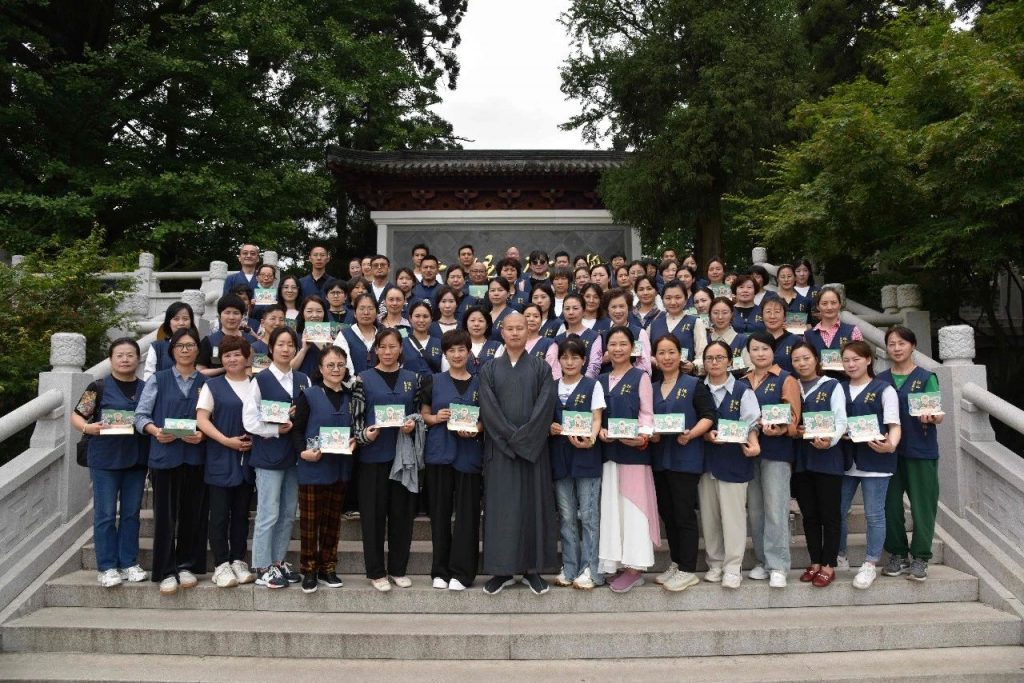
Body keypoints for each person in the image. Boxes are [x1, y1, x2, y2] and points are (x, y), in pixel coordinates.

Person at [479, 312, 558, 595]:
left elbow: (545, 408)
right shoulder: (489, 368)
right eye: (509, 328)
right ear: (501, 332)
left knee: (532, 507)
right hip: (501, 453)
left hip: (532, 452)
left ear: (528, 331)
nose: (514, 333)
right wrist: (512, 440)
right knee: (501, 510)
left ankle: (532, 570)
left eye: (519, 328)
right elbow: (488, 409)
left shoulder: (540, 368)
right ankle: (501, 571)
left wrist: (524, 441)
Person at [133, 327, 208, 595]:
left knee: (192, 513)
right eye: (180, 346)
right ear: (172, 350)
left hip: (195, 457)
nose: (185, 350)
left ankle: (186, 564)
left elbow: (212, 419)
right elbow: (140, 416)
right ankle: (165, 570)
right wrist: (154, 431)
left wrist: (203, 436)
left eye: (190, 345)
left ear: (198, 349)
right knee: (165, 516)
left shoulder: (206, 383)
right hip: (164, 456)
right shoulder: (159, 379)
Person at [72, 338, 150, 588]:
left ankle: (129, 563)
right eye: (120, 355)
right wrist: (87, 427)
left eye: (130, 355)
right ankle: (106, 566)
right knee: (105, 515)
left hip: (136, 458)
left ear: (138, 358)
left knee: (131, 514)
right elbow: (77, 414)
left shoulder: (147, 387)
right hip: (105, 459)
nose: (125, 359)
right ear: (111, 359)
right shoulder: (98, 387)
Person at [351, 328, 421, 592]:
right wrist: (365, 436)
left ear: (401, 349)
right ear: (376, 350)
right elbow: (355, 420)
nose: (388, 351)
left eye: (393, 347)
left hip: (403, 458)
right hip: (373, 457)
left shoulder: (412, 379)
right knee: (373, 516)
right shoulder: (363, 379)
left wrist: (412, 426)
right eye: (383, 347)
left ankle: (398, 569)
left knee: (402, 515)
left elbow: (417, 416)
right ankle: (376, 571)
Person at [243, 326, 311, 589]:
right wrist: (274, 429)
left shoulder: (304, 379)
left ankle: (278, 561)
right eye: (280, 344)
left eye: (290, 345)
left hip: (295, 455)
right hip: (269, 453)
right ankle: (262, 566)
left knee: (287, 513)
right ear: (270, 349)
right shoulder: (259, 380)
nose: (285, 349)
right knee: (268, 512)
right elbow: (249, 420)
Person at [649, 335, 715, 593]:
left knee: (684, 513)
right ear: (655, 357)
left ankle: (688, 569)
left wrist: (691, 434)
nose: (667, 357)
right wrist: (651, 433)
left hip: (685, 458)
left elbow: (709, 416)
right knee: (668, 513)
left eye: (671, 352)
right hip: (660, 459)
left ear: (680, 355)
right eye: (661, 353)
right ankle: (676, 562)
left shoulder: (694, 384)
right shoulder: (652, 387)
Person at [878, 326, 943, 582]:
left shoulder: (926, 377)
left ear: (913, 345)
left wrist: (934, 416)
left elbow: (937, 412)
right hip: (887, 452)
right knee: (890, 506)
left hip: (921, 450)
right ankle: (898, 554)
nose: (896, 348)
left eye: (901, 343)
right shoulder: (881, 379)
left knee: (922, 506)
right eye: (891, 344)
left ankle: (920, 558)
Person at [420, 330, 483, 591]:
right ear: (445, 354)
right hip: (440, 454)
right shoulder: (433, 381)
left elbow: (486, 419)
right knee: (440, 514)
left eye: (461, 350)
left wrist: (477, 429)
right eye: (452, 351)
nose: (457, 355)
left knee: (468, 515)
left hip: (469, 455)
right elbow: (423, 413)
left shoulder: (481, 383)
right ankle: (440, 570)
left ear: (469, 352)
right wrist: (436, 418)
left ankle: (463, 572)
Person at [597, 326, 658, 592]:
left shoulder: (640, 376)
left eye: (624, 344)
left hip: (633, 453)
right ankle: (618, 563)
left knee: (633, 508)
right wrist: (598, 430)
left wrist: (641, 436)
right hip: (608, 453)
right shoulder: (600, 380)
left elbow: (647, 414)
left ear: (633, 348)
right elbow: (596, 415)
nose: (618, 349)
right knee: (612, 508)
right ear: (606, 350)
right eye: (613, 344)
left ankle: (635, 566)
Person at [290, 345, 355, 593]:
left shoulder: (351, 397)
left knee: (332, 522)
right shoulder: (309, 395)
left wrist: (354, 441)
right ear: (320, 368)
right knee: (310, 522)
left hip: (339, 467)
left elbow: (356, 429)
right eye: (330, 365)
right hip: (313, 466)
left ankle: (328, 567)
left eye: (340, 365)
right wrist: (302, 452)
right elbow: (297, 430)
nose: (336, 369)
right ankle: (308, 570)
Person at [839, 340, 902, 589]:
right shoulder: (838, 388)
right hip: (845, 460)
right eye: (846, 360)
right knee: (838, 511)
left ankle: (869, 563)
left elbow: (894, 424)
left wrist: (891, 445)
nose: (851, 364)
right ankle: (840, 555)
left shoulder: (883, 389)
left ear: (868, 360)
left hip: (876, 458)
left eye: (856, 359)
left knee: (874, 514)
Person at [195, 335, 257, 588]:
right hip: (221, 455)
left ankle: (238, 559)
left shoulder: (256, 384)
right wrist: (225, 440)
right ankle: (221, 564)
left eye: (237, 354)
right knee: (219, 513)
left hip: (248, 458)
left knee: (242, 513)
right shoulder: (213, 385)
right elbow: (202, 420)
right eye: (227, 355)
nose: (232, 359)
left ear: (246, 357)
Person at [742, 332, 802, 588]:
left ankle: (778, 565)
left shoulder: (785, 379)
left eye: (765, 349)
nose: (760, 354)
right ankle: (762, 561)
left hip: (776, 451)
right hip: (747, 451)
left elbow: (793, 419)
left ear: (773, 351)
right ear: (749, 353)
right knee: (755, 511)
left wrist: (780, 428)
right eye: (755, 349)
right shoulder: (743, 381)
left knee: (776, 509)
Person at [700, 340, 761, 589]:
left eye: (719, 358)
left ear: (729, 361)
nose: (714, 363)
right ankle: (714, 563)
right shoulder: (697, 389)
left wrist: (754, 443)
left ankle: (733, 566)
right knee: (709, 517)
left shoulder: (743, 391)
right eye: (709, 358)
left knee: (733, 517)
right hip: (705, 462)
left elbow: (752, 423)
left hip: (734, 460)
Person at [790, 341, 848, 588]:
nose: (801, 363)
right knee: (810, 515)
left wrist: (830, 440)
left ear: (816, 359)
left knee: (830, 515)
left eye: (806, 358)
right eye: (796, 360)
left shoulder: (832, 385)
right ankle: (815, 562)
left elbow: (840, 420)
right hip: (801, 459)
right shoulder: (791, 387)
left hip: (827, 457)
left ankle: (829, 564)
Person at [549, 336, 605, 590]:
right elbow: (544, 419)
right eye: (565, 357)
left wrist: (592, 438)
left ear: (584, 360)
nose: (569, 362)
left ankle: (591, 569)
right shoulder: (550, 387)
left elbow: (596, 418)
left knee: (590, 515)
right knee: (567, 515)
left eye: (574, 357)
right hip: (560, 456)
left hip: (586, 455)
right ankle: (570, 566)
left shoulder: (592, 385)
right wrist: (549, 426)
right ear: (558, 360)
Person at [649, 280, 704, 375]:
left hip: (685, 379)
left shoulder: (695, 322)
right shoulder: (653, 324)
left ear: (686, 300)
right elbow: (646, 353)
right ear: (662, 300)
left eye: (678, 297)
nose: (673, 302)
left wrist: (693, 365)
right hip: (658, 380)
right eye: (668, 298)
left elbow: (703, 355)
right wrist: (654, 361)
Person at [197, 295, 258, 377]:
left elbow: (260, 368)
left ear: (242, 316)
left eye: (236, 313)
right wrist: (225, 368)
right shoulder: (209, 341)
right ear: (219, 315)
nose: (231, 317)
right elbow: (200, 371)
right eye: (227, 312)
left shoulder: (252, 340)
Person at [547, 294, 602, 379]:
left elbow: (594, 365)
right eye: (567, 309)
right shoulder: (557, 339)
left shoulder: (594, 337)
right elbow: (554, 368)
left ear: (584, 311)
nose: (571, 312)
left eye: (575, 308)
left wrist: (582, 385)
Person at [600, 288, 651, 375]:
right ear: (607, 310)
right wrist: (604, 360)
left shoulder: (639, 333)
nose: (618, 311)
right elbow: (594, 365)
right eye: (613, 307)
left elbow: (645, 365)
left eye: (622, 306)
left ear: (629, 308)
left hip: (632, 383)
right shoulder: (602, 335)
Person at [805, 285, 862, 362]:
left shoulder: (852, 331)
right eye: (824, 303)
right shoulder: (808, 335)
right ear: (818, 306)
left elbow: (860, 358)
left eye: (833, 303)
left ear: (839, 305)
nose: (829, 307)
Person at [698, 297, 750, 376]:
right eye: (715, 313)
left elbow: (749, 369)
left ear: (732, 314)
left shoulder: (743, 340)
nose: (720, 317)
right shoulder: (704, 339)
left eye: (725, 312)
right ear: (709, 315)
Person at [145, 302, 197, 380]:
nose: (181, 323)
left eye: (185, 319)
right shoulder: (157, 347)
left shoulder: (198, 346)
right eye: (176, 319)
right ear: (169, 323)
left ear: (191, 322)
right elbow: (149, 374)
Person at [333, 293, 380, 378]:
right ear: (354, 313)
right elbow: (342, 363)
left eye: (370, 308)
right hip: (352, 386)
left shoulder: (383, 334)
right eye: (361, 309)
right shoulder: (344, 335)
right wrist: (354, 382)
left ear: (376, 313)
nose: (366, 313)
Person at [402, 301, 442, 379]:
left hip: (434, 389)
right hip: (408, 389)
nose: (421, 320)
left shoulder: (439, 343)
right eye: (417, 316)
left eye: (425, 316)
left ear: (431, 319)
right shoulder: (402, 344)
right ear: (410, 318)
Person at [292, 296, 330, 377]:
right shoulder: (293, 337)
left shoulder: (331, 337)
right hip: (301, 383)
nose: (315, 315)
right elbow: (289, 369)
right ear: (302, 313)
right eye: (309, 311)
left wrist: (327, 348)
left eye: (319, 311)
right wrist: (304, 349)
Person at [761, 297, 802, 373]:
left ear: (785, 316)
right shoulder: (756, 340)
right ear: (762, 316)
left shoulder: (796, 341)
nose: (772, 316)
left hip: (790, 383)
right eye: (768, 311)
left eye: (777, 312)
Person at [462, 306, 503, 375]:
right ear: (466, 324)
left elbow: (499, 373)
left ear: (487, 325)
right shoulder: (458, 345)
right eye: (472, 320)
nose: (476, 324)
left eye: (481, 321)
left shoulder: (497, 346)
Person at [485, 277, 514, 341]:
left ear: (508, 293)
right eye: (492, 290)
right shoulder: (485, 315)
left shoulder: (513, 315)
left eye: (500, 290)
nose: (496, 294)